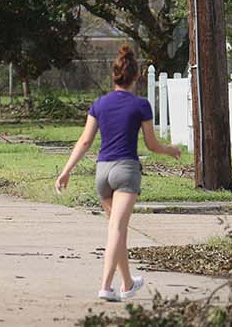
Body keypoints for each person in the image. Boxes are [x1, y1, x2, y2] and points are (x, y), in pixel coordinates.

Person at [54, 45, 182, 302]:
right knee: (116, 230)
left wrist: (66, 171)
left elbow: (84, 141)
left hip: (102, 173)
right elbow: (151, 145)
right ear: (136, 77)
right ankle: (105, 287)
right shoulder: (141, 105)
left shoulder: (99, 104)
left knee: (118, 229)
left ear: (114, 76)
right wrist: (171, 150)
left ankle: (126, 283)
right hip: (125, 172)